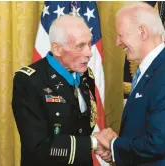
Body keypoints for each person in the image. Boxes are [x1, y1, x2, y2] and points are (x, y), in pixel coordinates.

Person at [95, 2, 165, 166]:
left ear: (142, 32)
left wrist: (114, 145)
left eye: (121, 35)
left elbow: (156, 143)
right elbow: (142, 129)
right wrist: (116, 151)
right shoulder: (155, 69)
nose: (117, 43)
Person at [11, 15, 109, 166]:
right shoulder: (29, 81)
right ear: (57, 48)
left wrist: (99, 144)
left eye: (89, 44)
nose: (89, 52)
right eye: (80, 46)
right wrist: (93, 143)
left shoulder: (86, 75)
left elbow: (83, 127)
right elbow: (37, 147)